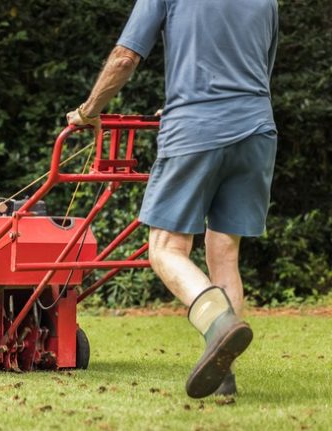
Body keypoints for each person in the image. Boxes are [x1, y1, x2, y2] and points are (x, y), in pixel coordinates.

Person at [66, 0, 279, 398]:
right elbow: (259, 72)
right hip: (257, 129)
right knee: (224, 253)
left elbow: (125, 58)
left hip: (196, 129)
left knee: (166, 248)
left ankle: (219, 324)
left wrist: (88, 110)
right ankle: (223, 377)